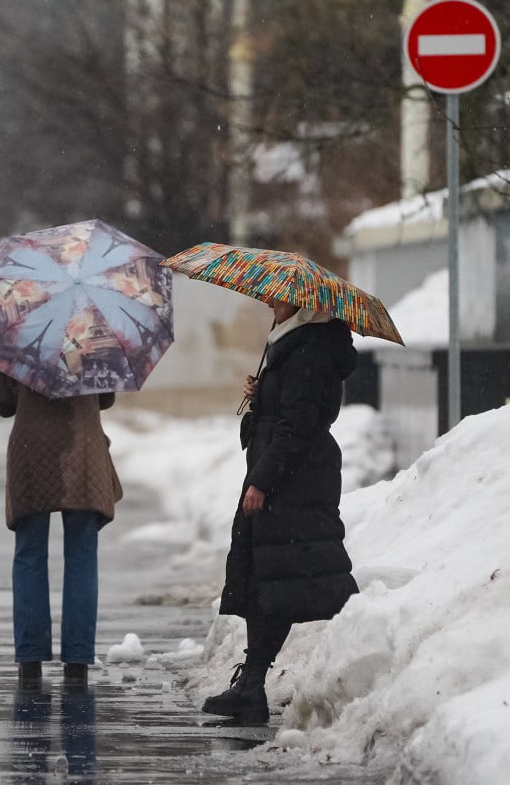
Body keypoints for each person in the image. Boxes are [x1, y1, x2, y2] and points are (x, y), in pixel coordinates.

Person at [201, 299, 359, 723]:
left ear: (301, 303)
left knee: (280, 582)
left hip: (293, 478)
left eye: (278, 296)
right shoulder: (293, 342)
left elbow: (299, 424)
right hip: (287, 471)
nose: (269, 300)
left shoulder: (310, 347)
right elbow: (289, 411)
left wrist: (262, 482)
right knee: (266, 580)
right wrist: (264, 393)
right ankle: (250, 686)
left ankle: (253, 686)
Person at [0, 371, 122, 687]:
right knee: (81, 556)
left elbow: (3, 404)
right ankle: (77, 661)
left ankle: (30, 660)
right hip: (83, 444)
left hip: (30, 447)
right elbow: (106, 399)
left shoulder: (17, 331)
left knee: (29, 555)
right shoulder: (93, 330)